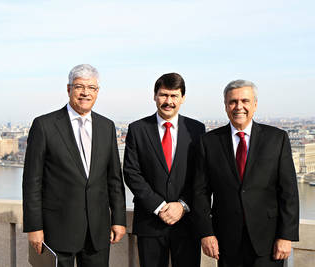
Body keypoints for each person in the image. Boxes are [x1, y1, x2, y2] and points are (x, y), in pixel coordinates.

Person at [22, 64, 126, 267]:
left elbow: (114, 178)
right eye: (79, 86)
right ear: (69, 89)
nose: (85, 93)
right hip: (56, 231)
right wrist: (34, 227)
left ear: (97, 92)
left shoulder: (107, 126)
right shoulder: (44, 125)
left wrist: (119, 219)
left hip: (97, 231)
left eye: (92, 88)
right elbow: (32, 182)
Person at [193, 80, 299, 267]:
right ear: (225, 106)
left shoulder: (277, 139)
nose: (238, 106)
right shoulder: (209, 142)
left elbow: (289, 192)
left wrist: (286, 235)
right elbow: (200, 193)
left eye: (245, 101)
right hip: (226, 242)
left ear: (255, 105)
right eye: (232, 101)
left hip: (268, 242)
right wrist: (206, 233)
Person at [123, 73, 205, 267]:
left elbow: (201, 175)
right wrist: (159, 207)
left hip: (187, 224)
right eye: (163, 95)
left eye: (174, 96)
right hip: (149, 223)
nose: (168, 101)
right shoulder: (137, 129)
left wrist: (182, 205)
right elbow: (131, 173)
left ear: (182, 98)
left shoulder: (196, 129)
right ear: (154, 96)